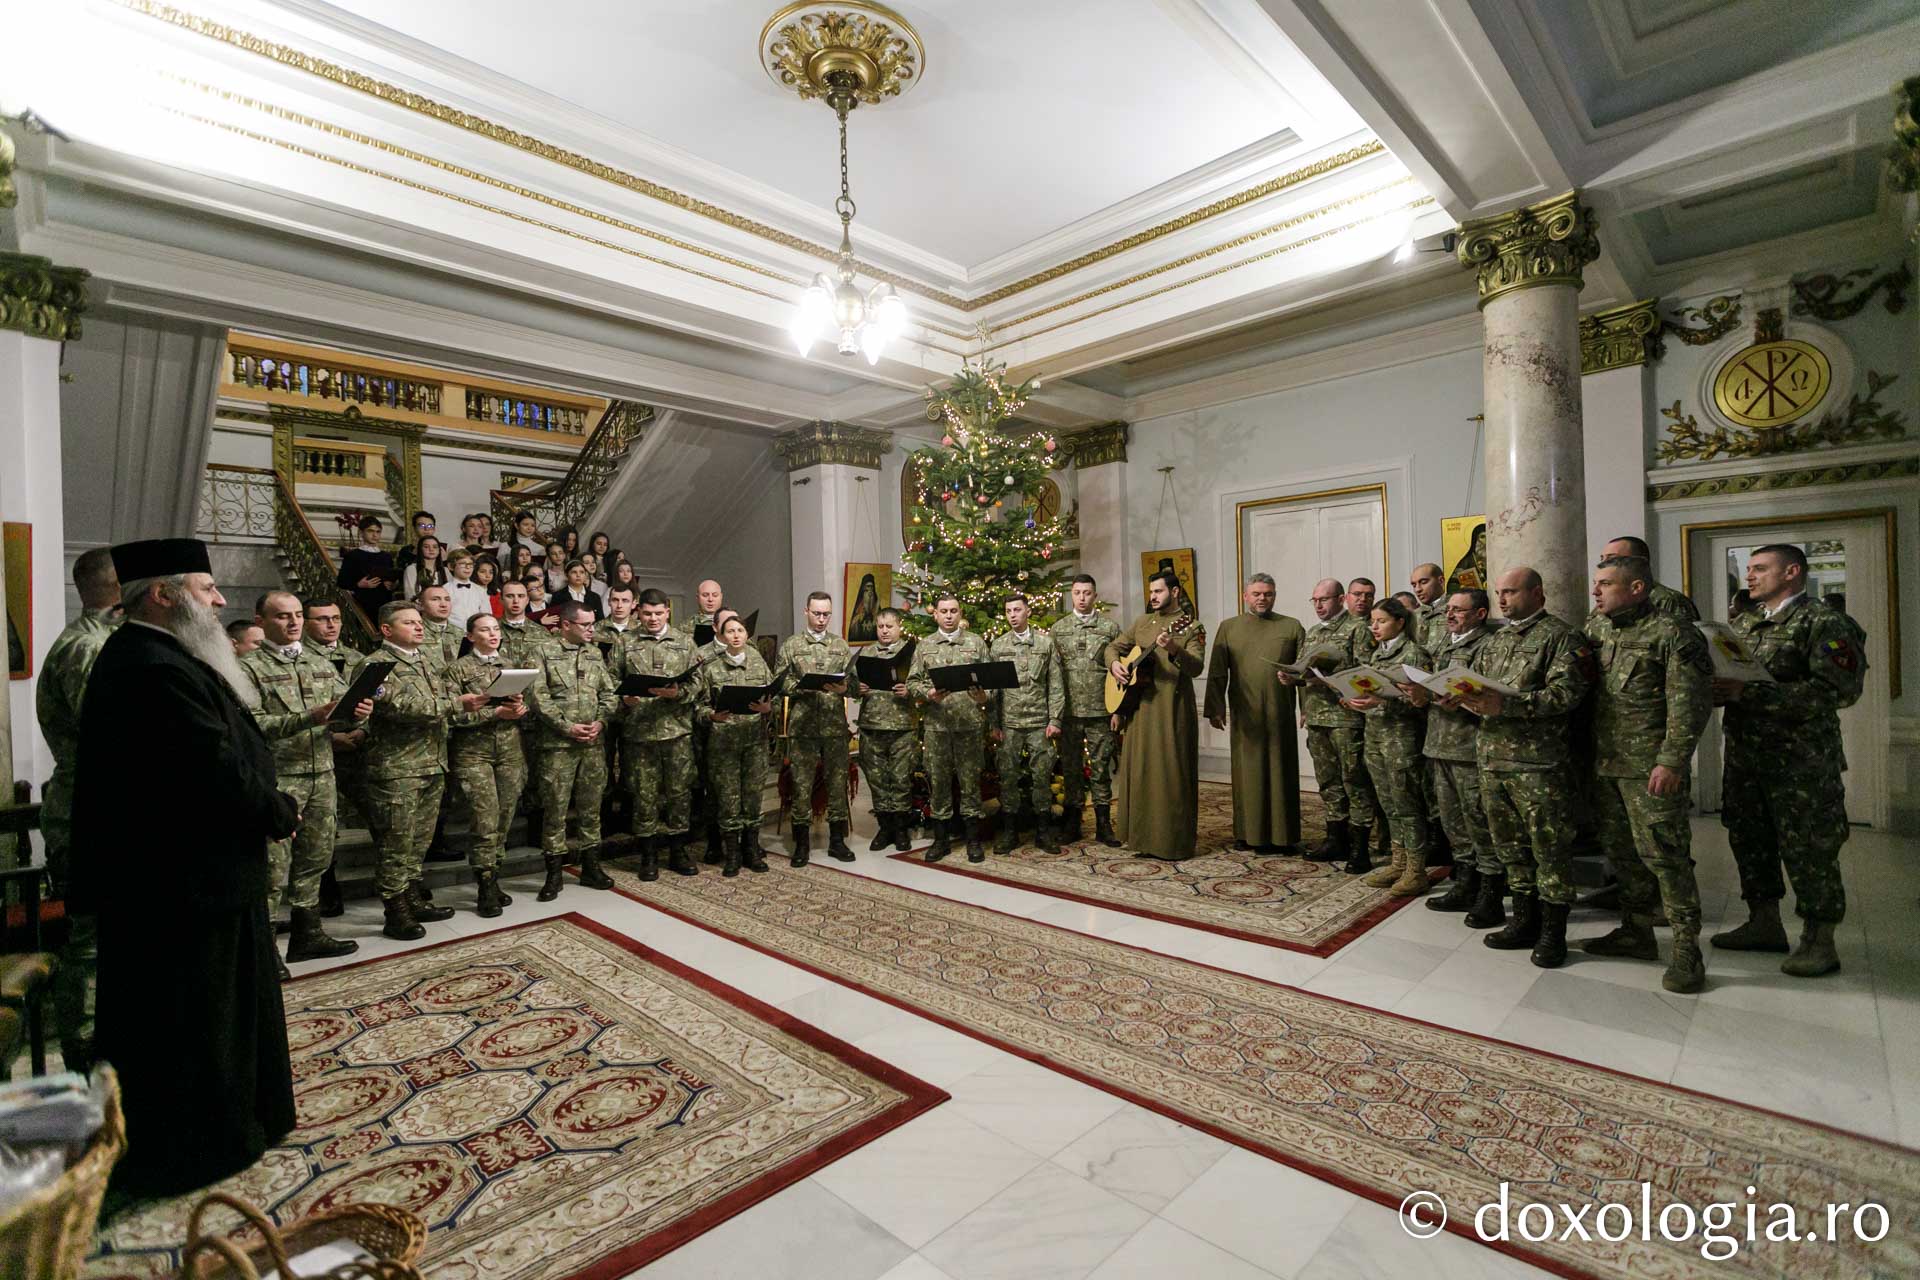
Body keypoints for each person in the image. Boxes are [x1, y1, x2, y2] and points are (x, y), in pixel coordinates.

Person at [70, 538, 298, 1197]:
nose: (223, 599)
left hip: (201, 876)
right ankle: (203, 1145)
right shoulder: (146, 664)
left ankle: (246, 1117)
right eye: (207, 588)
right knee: (192, 1018)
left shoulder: (161, 655)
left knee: (224, 1007)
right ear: (163, 595)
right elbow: (211, 767)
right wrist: (275, 808)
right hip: (178, 884)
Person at [1711, 543, 1864, 977]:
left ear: (1792, 572)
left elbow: (1839, 691)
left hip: (1801, 763)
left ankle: (1820, 938)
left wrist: (1751, 693)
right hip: (1746, 756)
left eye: (1760, 569)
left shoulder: (1825, 622)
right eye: (1749, 569)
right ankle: (1764, 922)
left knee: (1810, 848)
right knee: (1750, 840)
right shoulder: (1746, 623)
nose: (1750, 577)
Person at [1448, 566, 1594, 968]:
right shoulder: (1496, 641)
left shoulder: (1562, 637)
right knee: (1509, 846)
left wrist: (1509, 705)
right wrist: (1457, 695)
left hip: (1538, 763)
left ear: (1537, 593)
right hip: (1493, 758)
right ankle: (1524, 921)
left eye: (1511, 591)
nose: (1503, 599)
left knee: (1549, 849)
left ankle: (1553, 932)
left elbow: (1568, 694)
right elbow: (1481, 687)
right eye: (1499, 592)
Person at [1583, 555, 1713, 992]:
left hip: (1650, 768)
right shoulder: (1596, 628)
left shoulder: (1674, 633)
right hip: (1606, 763)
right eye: (1595, 583)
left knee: (1665, 856)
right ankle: (1635, 932)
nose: (1596, 591)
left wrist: (1672, 760)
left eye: (1605, 584)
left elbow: (1689, 703)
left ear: (1637, 587)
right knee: (1622, 854)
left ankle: (1686, 948)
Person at [241, 591, 368, 967]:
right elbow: (253, 727)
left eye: (297, 615)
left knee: (316, 858)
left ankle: (307, 934)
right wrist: (309, 718)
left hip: (322, 774)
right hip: (280, 781)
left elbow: (343, 708)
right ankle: (264, 952)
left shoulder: (318, 660)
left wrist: (359, 711)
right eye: (282, 616)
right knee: (273, 868)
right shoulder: (247, 669)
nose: (293, 622)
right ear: (261, 620)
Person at [35, 546, 118, 1071]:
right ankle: (82, 1051)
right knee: (89, 943)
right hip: (89, 808)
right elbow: (114, 733)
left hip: (103, 803)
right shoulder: (88, 648)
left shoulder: (106, 641)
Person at [362, 601, 487, 939]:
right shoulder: (375, 665)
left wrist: (475, 704)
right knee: (396, 843)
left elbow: (448, 702)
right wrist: (456, 704)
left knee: (419, 841)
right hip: (397, 768)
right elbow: (402, 707)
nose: (419, 627)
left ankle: (412, 897)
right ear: (387, 630)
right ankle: (395, 910)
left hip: (432, 762)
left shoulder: (428, 661)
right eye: (409, 623)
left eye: (419, 622)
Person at [1405, 590, 1502, 922]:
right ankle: (1465, 881)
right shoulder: (1445, 643)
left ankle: (1490, 891)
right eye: (1449, 610)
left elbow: (1493, 696)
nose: (1450, 615)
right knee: (1452, 821)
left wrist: (1463, 698)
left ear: (1480, 613)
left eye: (1458, 610)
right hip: (1439, 743)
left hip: (1469, 747)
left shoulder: (1489, 645)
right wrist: (1420, 695)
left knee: (1478, 821)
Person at [1105, 569, 1207, 861]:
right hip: (1140, 709)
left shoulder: (1192, 626)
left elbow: (1196, 667)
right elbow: (1113, 648)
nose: (1153, 597)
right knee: (1141, 773)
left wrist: (1175, 648)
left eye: (1159, 591)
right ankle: (1141, 839)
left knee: (1170, 775)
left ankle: (1172, 842)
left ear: (1175, 592)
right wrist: (1114, 666)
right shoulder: (1142, 622)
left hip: (1171, 711)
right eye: (1151, 592)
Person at [1203, 573, 1305, 854]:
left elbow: (1305, 671)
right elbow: (1216, 672)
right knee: (1247, 775)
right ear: (1245, 596)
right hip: (1245, 715)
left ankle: (1284, 837)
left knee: (1281, 772)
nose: (1263, 598)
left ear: (1275, 595)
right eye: (1257, 593)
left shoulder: (1292, 627)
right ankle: (1247, 834)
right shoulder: (1229, 628)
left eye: (1268, 593)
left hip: (1280, 713)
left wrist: (1306, 707)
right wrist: (1215, 707)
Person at [527, 598, 619, 900]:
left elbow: (609, 693)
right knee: (555, 810)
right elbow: (538, 697)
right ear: (566, 624)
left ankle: (591, 866)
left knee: (592, 809)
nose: (593, 630)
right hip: (557, 747)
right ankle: (554, 873)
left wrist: (602, 721)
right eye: (586, 625)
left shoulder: (594, 654)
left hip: (592, 744)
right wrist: (567, 726)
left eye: (593, 624)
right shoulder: (542, 651)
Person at [1285, 579, 1378, 869]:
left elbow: (1366, 672)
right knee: (1328, 782)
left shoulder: (1357, 628)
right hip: (1317, 716)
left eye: (1324, 599)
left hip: (1346, 717)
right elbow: (1304, 668)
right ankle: (1335, 839)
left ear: (1340, 599)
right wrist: (1292, 677)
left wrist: (1328, 680)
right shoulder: (1313, 632)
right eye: (1315, 600)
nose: (1319, 605)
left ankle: (1359, 847)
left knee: (1354, 781)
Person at [1342, 599, 1432, 894]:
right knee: (1388, 804)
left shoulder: (1413, 654)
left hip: (1402, 739)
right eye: (1372, 621)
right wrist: (1350, 696)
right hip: (1375, 736)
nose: (1374, 627)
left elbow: (1421, 702)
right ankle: (1398, 862)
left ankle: (1416, 869)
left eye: (1380, 621)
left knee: (1407, 804)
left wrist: (1382, 700)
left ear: (1400, 622)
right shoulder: (1377, 656)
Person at [614, 588, 701, 880]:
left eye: (658, 613)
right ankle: (648, 855)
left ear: (668, 611)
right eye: (647, 614)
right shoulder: (625, 642)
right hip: (640, 733)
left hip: (676, 731)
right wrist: (623, 700)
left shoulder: (684, 642)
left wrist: (679, 693)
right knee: (644, 796)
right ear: (638, 612)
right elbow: (610, 681)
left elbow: (698, 683)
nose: (652, 619)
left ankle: (678, 851)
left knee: (679, 794)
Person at [447, 613, 530, 916]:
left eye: (496, 628)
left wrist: (521, 708)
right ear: (470, 636)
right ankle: (483, 882)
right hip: (474, 753)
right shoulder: (457, 669)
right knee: (485, 818)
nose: (493, 634)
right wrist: (493, 714)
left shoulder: (511, 664)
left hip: (509, 750)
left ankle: (495, 875)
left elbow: (524, 704)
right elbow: (453, 715)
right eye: (484, 629)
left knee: (505, 816)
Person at [776, 591, 857, 865]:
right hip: (804, 726)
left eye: (826, 614)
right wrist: (801, 686)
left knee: (837, 783)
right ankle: (802, 844)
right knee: (801, 785)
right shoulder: (792, 645)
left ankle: (837, 841)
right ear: (806, 612)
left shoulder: (841, 645)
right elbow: (780, 683)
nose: (822, 619)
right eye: (817, 613)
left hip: (834, 726)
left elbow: (855, 685)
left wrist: (845, 687)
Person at [908, 594, 991, 863]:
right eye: (943, 611)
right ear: (936, 615)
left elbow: (990, 680)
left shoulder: (976, 642)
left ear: (960, 612)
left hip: (968, 724)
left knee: (970, 783)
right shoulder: (925, 646)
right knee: (939, 782)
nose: (948, 615)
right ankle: (941, 840)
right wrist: (927, 692)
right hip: (937, 726)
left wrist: (984, 696)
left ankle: (973, 839)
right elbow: (912, 683)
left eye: (953, 610)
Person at [697, 613, 775, 876]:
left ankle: (751, 851)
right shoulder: (711, 666)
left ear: (746, 634)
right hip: (724, 743)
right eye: (730, 631)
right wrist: (710, 715)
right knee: (729, 800)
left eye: (740, 630)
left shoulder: (757, 661)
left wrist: (767, 708)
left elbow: (771, 696)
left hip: (754, 741)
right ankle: (731, 854)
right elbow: (698, 706)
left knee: (752, 797)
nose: (736, 635)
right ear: (721, 635)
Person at [303, 597, 365, 918]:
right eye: (322, 619)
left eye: (336, 618)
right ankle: (326, 890)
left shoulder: (355, 658)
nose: (331, 625)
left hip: (355, 750)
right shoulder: (299, 659)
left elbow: (373, 700)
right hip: (314, 752)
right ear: (305, 622)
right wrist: (331, 737)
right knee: (323, 828)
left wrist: (364, 730)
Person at [989, 593, 1065, 853]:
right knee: (1008, 778)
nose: (1012, 615)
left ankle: (1043, 833)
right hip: (1009, 724)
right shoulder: (998, 647)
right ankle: (1010, 832)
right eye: (1008, 610)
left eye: (1017, 610)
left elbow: (1055, 684)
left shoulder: (1045, 644)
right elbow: (994, 691)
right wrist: (994, 724)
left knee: (1041, 777)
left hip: (1038, 723)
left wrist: (1055, 719)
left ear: (1028, 612)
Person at [1054, 574, 1122, 845]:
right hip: (1069, 712)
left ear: (1095, 596)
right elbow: (1054, 674)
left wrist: (1118, 710)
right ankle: (1073, 822)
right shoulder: (1058, 629)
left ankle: (1104, 824)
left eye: (1087, 593)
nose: (1082, 598)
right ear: (1072, 594)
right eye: (1077, 592)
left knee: (1101, 767)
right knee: (1070, 769)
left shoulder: (1109, 629)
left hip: (1100, 710)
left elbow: (1120, 671)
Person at [854, 607, 917, 852]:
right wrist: (856, 688)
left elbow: (924, 681)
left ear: (899, 626)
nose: (884, 631)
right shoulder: (867, 652)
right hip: (872, 725)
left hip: (902, 724)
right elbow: (849, 683)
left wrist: (910, 690)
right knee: (877, 779)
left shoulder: (912, 652)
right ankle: (885, 827)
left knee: (901, 779)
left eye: (889, 626)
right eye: (880, 626)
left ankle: (901, 829)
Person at [1597, 535, 1698, 624]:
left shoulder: (1669, 600)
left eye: (1612, 558)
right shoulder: (1608, 599)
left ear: (1638, 560)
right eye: (1602, 558)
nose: (1602, 564)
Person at [338, 515, 397, 617]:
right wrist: (359, 584)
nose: (375, 535)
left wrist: (392, 585)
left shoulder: (386, 556)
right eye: (370, 531)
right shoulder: (353, 555)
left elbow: (391, 577)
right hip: (362, 602)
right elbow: (341, 581)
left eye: (378, 532)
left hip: (384, 602)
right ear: (361, 533)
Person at [417, 583, 463, 669]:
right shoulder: (413, 633)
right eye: (435, 599)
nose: (443, 604)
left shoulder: (461, 633)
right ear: (420, 605)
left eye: (447, 599)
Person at [444, 548, 490, 630]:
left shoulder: (480, 591)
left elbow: (487, 615)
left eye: (470, 564)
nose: (468, 567)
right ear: (451, 566)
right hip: (451, 634)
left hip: (475, 633)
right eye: (463, 563)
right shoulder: (444, 590)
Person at [1408, 562, 1450, 651]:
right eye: (1414, 585)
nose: (1418, 589)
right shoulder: (1413, 616)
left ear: (1441, 581)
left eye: (1423, 582)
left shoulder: (1455, 609)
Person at [400, 534, 449, 599]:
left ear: (439, 550)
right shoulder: (412, 569)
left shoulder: (445, 570)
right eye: (426, 547)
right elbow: (410, 595)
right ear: (420, 549)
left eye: (435, 547)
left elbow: (449, 594)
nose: (431, 549)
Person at [392, 510, 438, 575]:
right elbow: (399, 574)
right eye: (422, 526)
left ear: (434, 529)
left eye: (430, 526)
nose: (426, 529)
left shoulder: (441, 550)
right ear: (414, 528)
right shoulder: (406, 551)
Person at [1447, 523, 1488, 593]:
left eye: (1488, 537)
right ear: (1475, 540)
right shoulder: (1467, 562)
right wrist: (1466, 591)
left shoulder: (1497, 560)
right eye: (1482, 536)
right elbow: (1452, 586)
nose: (1485, 541)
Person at [847, 573, 881, 643]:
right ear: (863, 589)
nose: (870, 591)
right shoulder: (859, 606)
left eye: (872, 587)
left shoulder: (876, 604)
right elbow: (853, 627)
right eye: (867, 587)